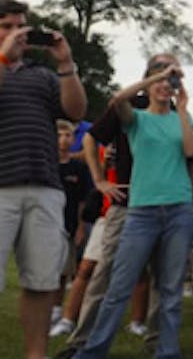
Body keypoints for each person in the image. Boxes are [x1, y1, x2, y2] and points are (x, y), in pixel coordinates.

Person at [75, 55, 193, 359]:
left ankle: (167, 352)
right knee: (119, 287)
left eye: (170, 81)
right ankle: (92, 351)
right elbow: (118, 99)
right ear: (149, 82)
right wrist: (100, 181)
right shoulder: (137, 119)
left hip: (178, 209)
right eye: (158, 79)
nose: (165, 85)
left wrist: (182, 109)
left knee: (170, 290)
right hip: (142, 212)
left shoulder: (182, 117)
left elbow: (190, 151)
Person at [0, 0, 86, 359]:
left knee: (41, 282)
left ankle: (36, 355)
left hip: (45, 185)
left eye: (21, 26)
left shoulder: (41, 74)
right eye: (6, 26)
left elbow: (76, 112)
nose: (16, 33)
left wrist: (66, 64)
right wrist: (3, 58)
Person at [52, 119, 93, 331]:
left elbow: (82, 200)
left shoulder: (78, 168)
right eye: (59, 135)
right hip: (47, 224)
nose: (64, 140)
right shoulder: (46, 164)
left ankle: (58, 309)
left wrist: (79, 226)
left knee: (64, 270)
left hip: (68, 225)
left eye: (68, 136)